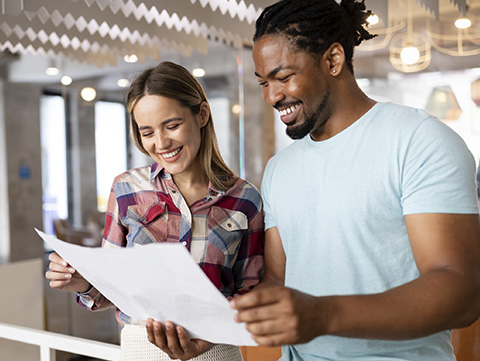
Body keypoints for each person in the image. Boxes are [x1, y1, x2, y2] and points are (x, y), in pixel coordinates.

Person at [230, 0, 480, 360]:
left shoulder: (418, 140)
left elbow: (462, 292)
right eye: (263, 83)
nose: (272, 96)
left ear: (333, 60)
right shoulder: (279, 170)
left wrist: (323, 314)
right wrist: (211, 329)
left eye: (284, 77)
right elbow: (277, 282)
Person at [46, 61, 265, 361]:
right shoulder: (126, 189)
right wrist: (82, 282)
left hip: (217, 353)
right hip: (141, 351)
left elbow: (251, 292)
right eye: (147, 131)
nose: (161, 143)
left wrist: (211, 334)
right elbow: (111, 286)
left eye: (172, 125)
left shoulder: (245, 199)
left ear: (201, 114)